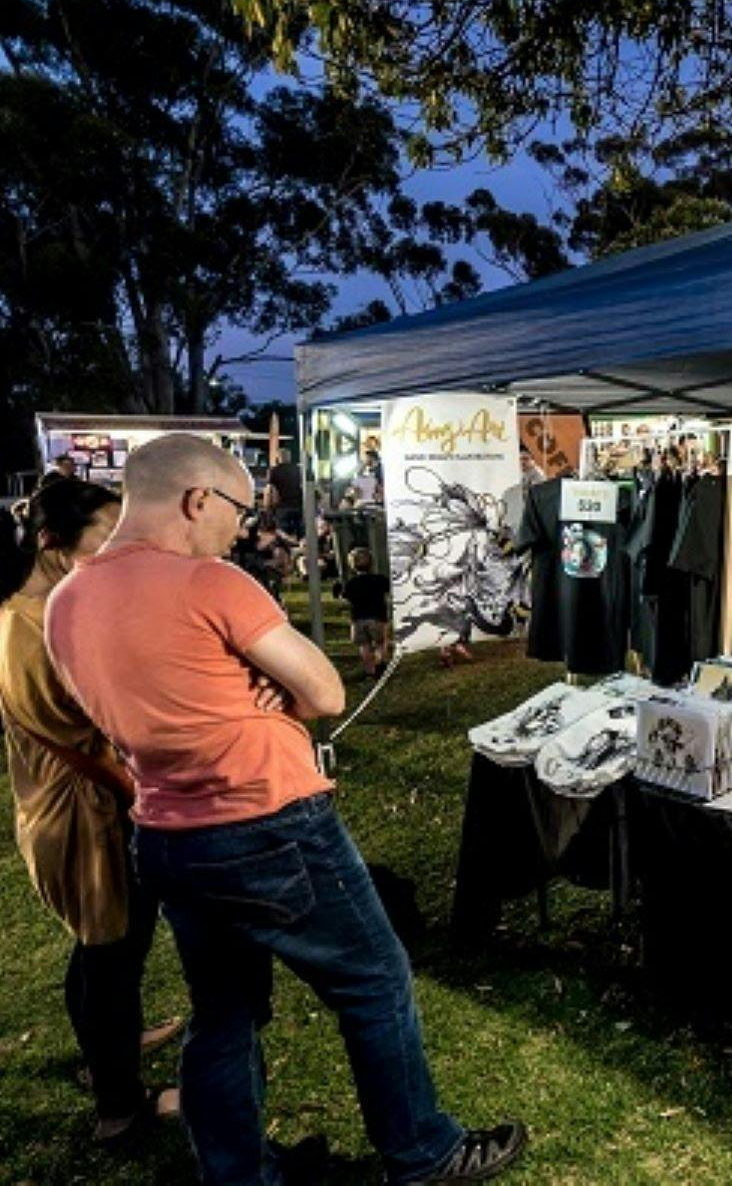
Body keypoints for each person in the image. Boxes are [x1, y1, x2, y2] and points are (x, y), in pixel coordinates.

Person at [44, 435, 525, 1185]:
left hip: (168, 832)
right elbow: (327, 693)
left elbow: (125, 707)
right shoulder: (211, 582)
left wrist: (245, 687)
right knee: (374, 980)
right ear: (197, 500)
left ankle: (237, 1172)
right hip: (266, 820)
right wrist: (271, 690)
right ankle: (422, 1151)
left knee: (224, 1010)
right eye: (238, 508)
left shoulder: (66, 602)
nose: (244, 526)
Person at [0, 477, 183, 1145]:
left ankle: (113, 1052)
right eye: (105, 535)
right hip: (83, 811)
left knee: (108, 947)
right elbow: (75, 744)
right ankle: (120, 1106)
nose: (118, 547)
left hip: (92, 800)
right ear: (52, 541)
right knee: (109, 951)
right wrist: (147, 795)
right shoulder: (27, 621)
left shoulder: (59, 604)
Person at [336, 546, 392, 678]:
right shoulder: (380, 580)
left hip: (358, 619)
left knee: (364, 645)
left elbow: (344, 601)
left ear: (352, 565)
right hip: (377, 617)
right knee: (380, 643)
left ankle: (369, 670)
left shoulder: (351, 583)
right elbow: (389, 592)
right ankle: (381, 663)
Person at [263, 449, 304, 537]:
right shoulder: (298, 470)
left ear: (279, 457)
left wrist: (267, 507)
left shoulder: (274, 471)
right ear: (289, 457)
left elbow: (270, 490)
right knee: (300, 533)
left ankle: (286, 549)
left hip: (282, 506)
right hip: (298, 505)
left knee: (283, 535)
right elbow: (303, 486)